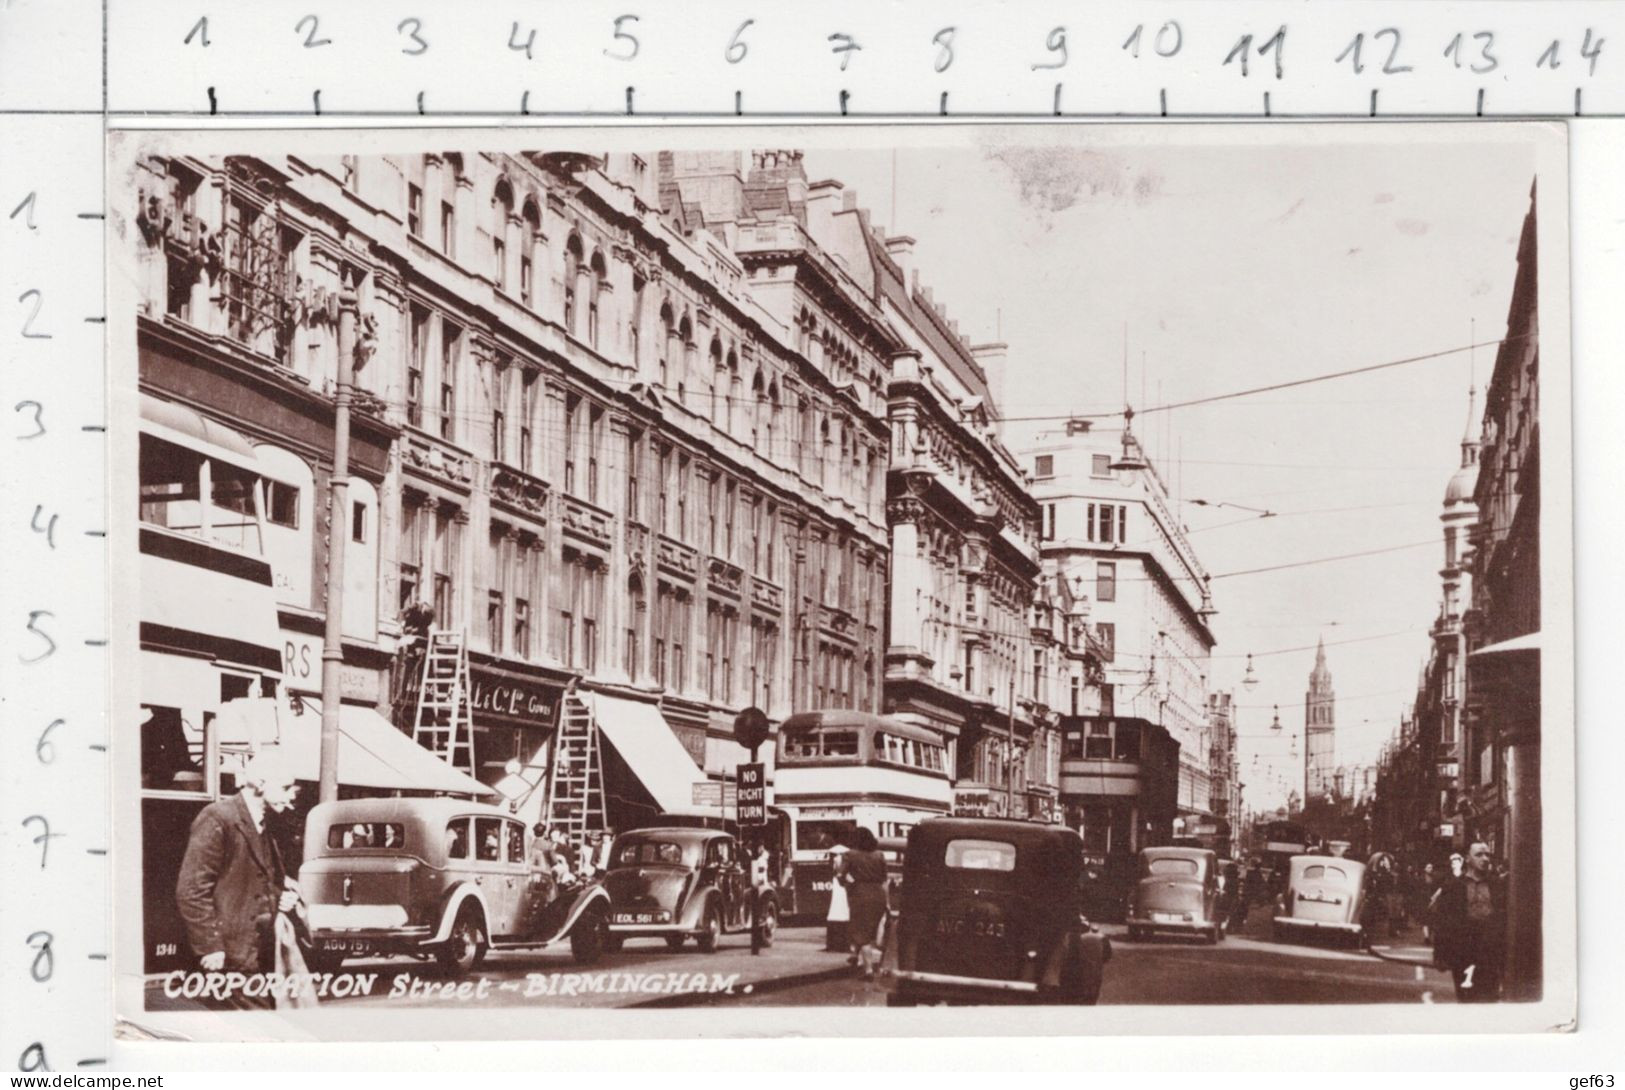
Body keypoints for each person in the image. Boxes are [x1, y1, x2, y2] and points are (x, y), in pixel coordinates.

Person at [175, 752, 303, 1003]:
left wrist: (279, 898)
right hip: (228, 957)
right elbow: (191, 890)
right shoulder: (218, 817)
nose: (292, 796)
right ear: (261, 783)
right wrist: (210, 946)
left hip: (256, 955)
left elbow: (259, 880)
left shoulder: (267, 824)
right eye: (286, 788)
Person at [1431, 841, 1506, 1003]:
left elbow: (1504, 918)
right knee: (1467, 997)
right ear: (1468, 858)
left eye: (1487, 855)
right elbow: (1443, 921)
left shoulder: (1497, 885)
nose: (1485, 858)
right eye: (1479, 855)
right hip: (1463, 952)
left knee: (1489, 998)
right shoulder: (1453, 886)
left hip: (1490, 952)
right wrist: (1440, 955)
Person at [843, 827, 891, 980]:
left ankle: (868, 971)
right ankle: (854, 955)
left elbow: (842, 875)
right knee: (869, 930)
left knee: (861, 933)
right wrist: (887, 902)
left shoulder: (850, 855)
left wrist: (848, 883)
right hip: (879, 895)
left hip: (861, 894)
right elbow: (885, 879)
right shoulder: (879, 855)